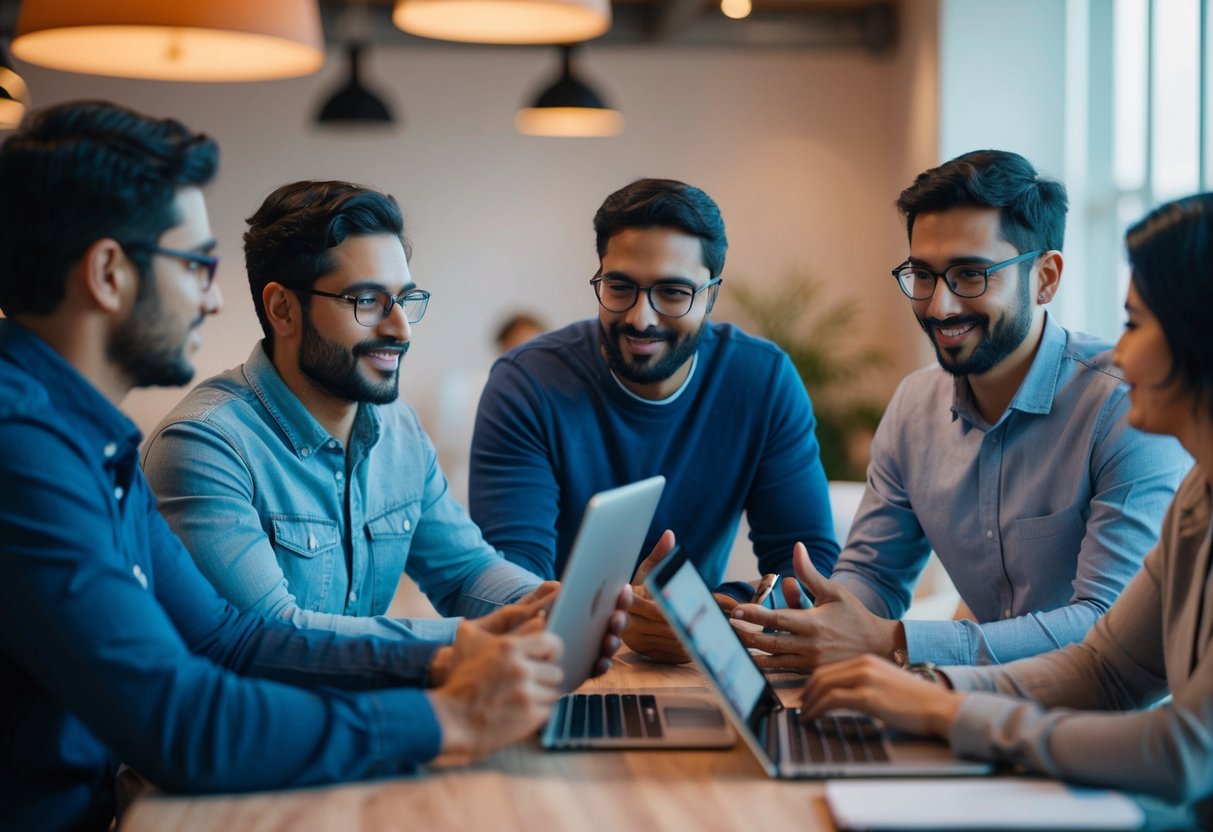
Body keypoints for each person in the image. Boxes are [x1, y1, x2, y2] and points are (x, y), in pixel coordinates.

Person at [0, 102, 572, 832]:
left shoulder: (87, 441)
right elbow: (181, 721)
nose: (212, 297)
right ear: (109, 274)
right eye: (197, 266)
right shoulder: (22, 450)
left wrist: (460, 649)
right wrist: (448, 719)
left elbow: (226, 638)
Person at [798, 193, 1213, 824]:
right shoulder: (1198, 498)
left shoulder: (1112, 410)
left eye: (1135, 324)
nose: (1121, 355)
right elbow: (1105, 667)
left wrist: (939, 698)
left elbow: (1185, 752)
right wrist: (930, 689)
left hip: (1135, 793)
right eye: (924, 276)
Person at [732, 150, 1190, 668]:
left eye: (971, 275)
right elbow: (875, 575)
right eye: (923, 275)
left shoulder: (1125, 409)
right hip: (975, 709)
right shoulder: (914, 407)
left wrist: (895, 642)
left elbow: (1105, 624)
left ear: (1045, 277)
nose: (938, 306)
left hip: (1104, 729)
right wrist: (807, 623)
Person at [142, 181, 559, 644]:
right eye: (366, 300)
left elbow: (466, 573)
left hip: (372, 707)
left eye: (403, 299)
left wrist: (554, 606)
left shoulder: (398, 429)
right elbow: (273, 636)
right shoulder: (204, 446)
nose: (400, 328)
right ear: (283, 309)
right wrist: (468, 642)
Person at [469, 178, 840, 663]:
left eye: (672, 292)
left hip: (700, 658)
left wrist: (713, 611)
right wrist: (616, 614)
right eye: (620, 287)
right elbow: (510, 575)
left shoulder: (762, 380)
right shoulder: (527, 384)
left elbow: (805, 561)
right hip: (555, 658)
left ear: (710, 295)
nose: (641, 318)